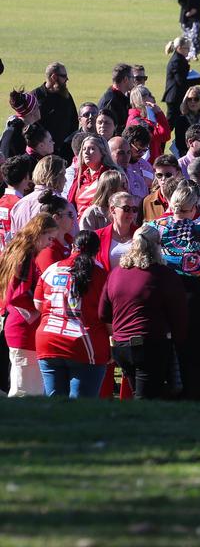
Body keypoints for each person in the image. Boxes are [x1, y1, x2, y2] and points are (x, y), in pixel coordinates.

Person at [98, 225, 186, 399]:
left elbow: (103, 313)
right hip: (150, 344)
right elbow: (179, 316)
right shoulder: (164, 275)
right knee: (146, 399)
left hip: (121, 346)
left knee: (139, 393)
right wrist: (179, 342)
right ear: (157, 246)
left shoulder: (116, 274)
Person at [150, 183, 200, 401]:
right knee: (197, 347)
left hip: (163, 291)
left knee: (169, 344)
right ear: (193, 206)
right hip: (192, 293)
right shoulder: (199, 229)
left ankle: (169, 389)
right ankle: (196, 392)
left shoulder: (155, 226)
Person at [33, 230, 109, 398]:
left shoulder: (52, 269)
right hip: (84, 343)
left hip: (48, 339)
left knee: (53, 408)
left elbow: (38, 303)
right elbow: (107, 315)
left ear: (73, 246)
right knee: (81, 411)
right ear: (97, 251)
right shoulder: (100, 274)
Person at [1, 214, 60, 396]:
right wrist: (41, 309)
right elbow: (18, 294)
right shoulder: (25, 255)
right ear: (39, 232)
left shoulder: (19, 251)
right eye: (49, 238)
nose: (50, 244)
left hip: (19, 325)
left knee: (26, 387)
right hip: (23, 329)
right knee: (25, 391)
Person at [32, 62, 76, 161]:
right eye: (64, 76)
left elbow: (73, 122)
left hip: (64, 154)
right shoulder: (35, 97)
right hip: (40, 156)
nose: (67, 79)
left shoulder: (66, 96)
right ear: (54, 77)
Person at [68, 135, 117, 215]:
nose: (86, 152)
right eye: (84, 149)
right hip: (79, 225)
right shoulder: (80, 178)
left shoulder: (112, 176)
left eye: (92, 149)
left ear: (102, 152)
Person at [126, 86, 171, 160]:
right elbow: (164, 135)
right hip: (145, 164)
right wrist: (159, 113)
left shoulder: (144, 117)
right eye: (149, 95)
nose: (153, 97)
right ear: (141, 99)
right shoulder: (137, 121)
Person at [170, 86, 200, 157]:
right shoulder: (180, 120)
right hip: (187, 157)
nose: (192, 102)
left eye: (196, 99)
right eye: (189, 99)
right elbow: (179, 143)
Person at [98, 64, 136, 136]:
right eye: (132, 78)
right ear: (125, 79)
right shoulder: (111, 101)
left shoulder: (121, 97)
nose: (134, 81)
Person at [2, 88, 41, 158]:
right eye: (37, 106)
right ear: (32, 112)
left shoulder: (31, 125)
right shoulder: (16, 135)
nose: (39, 108)